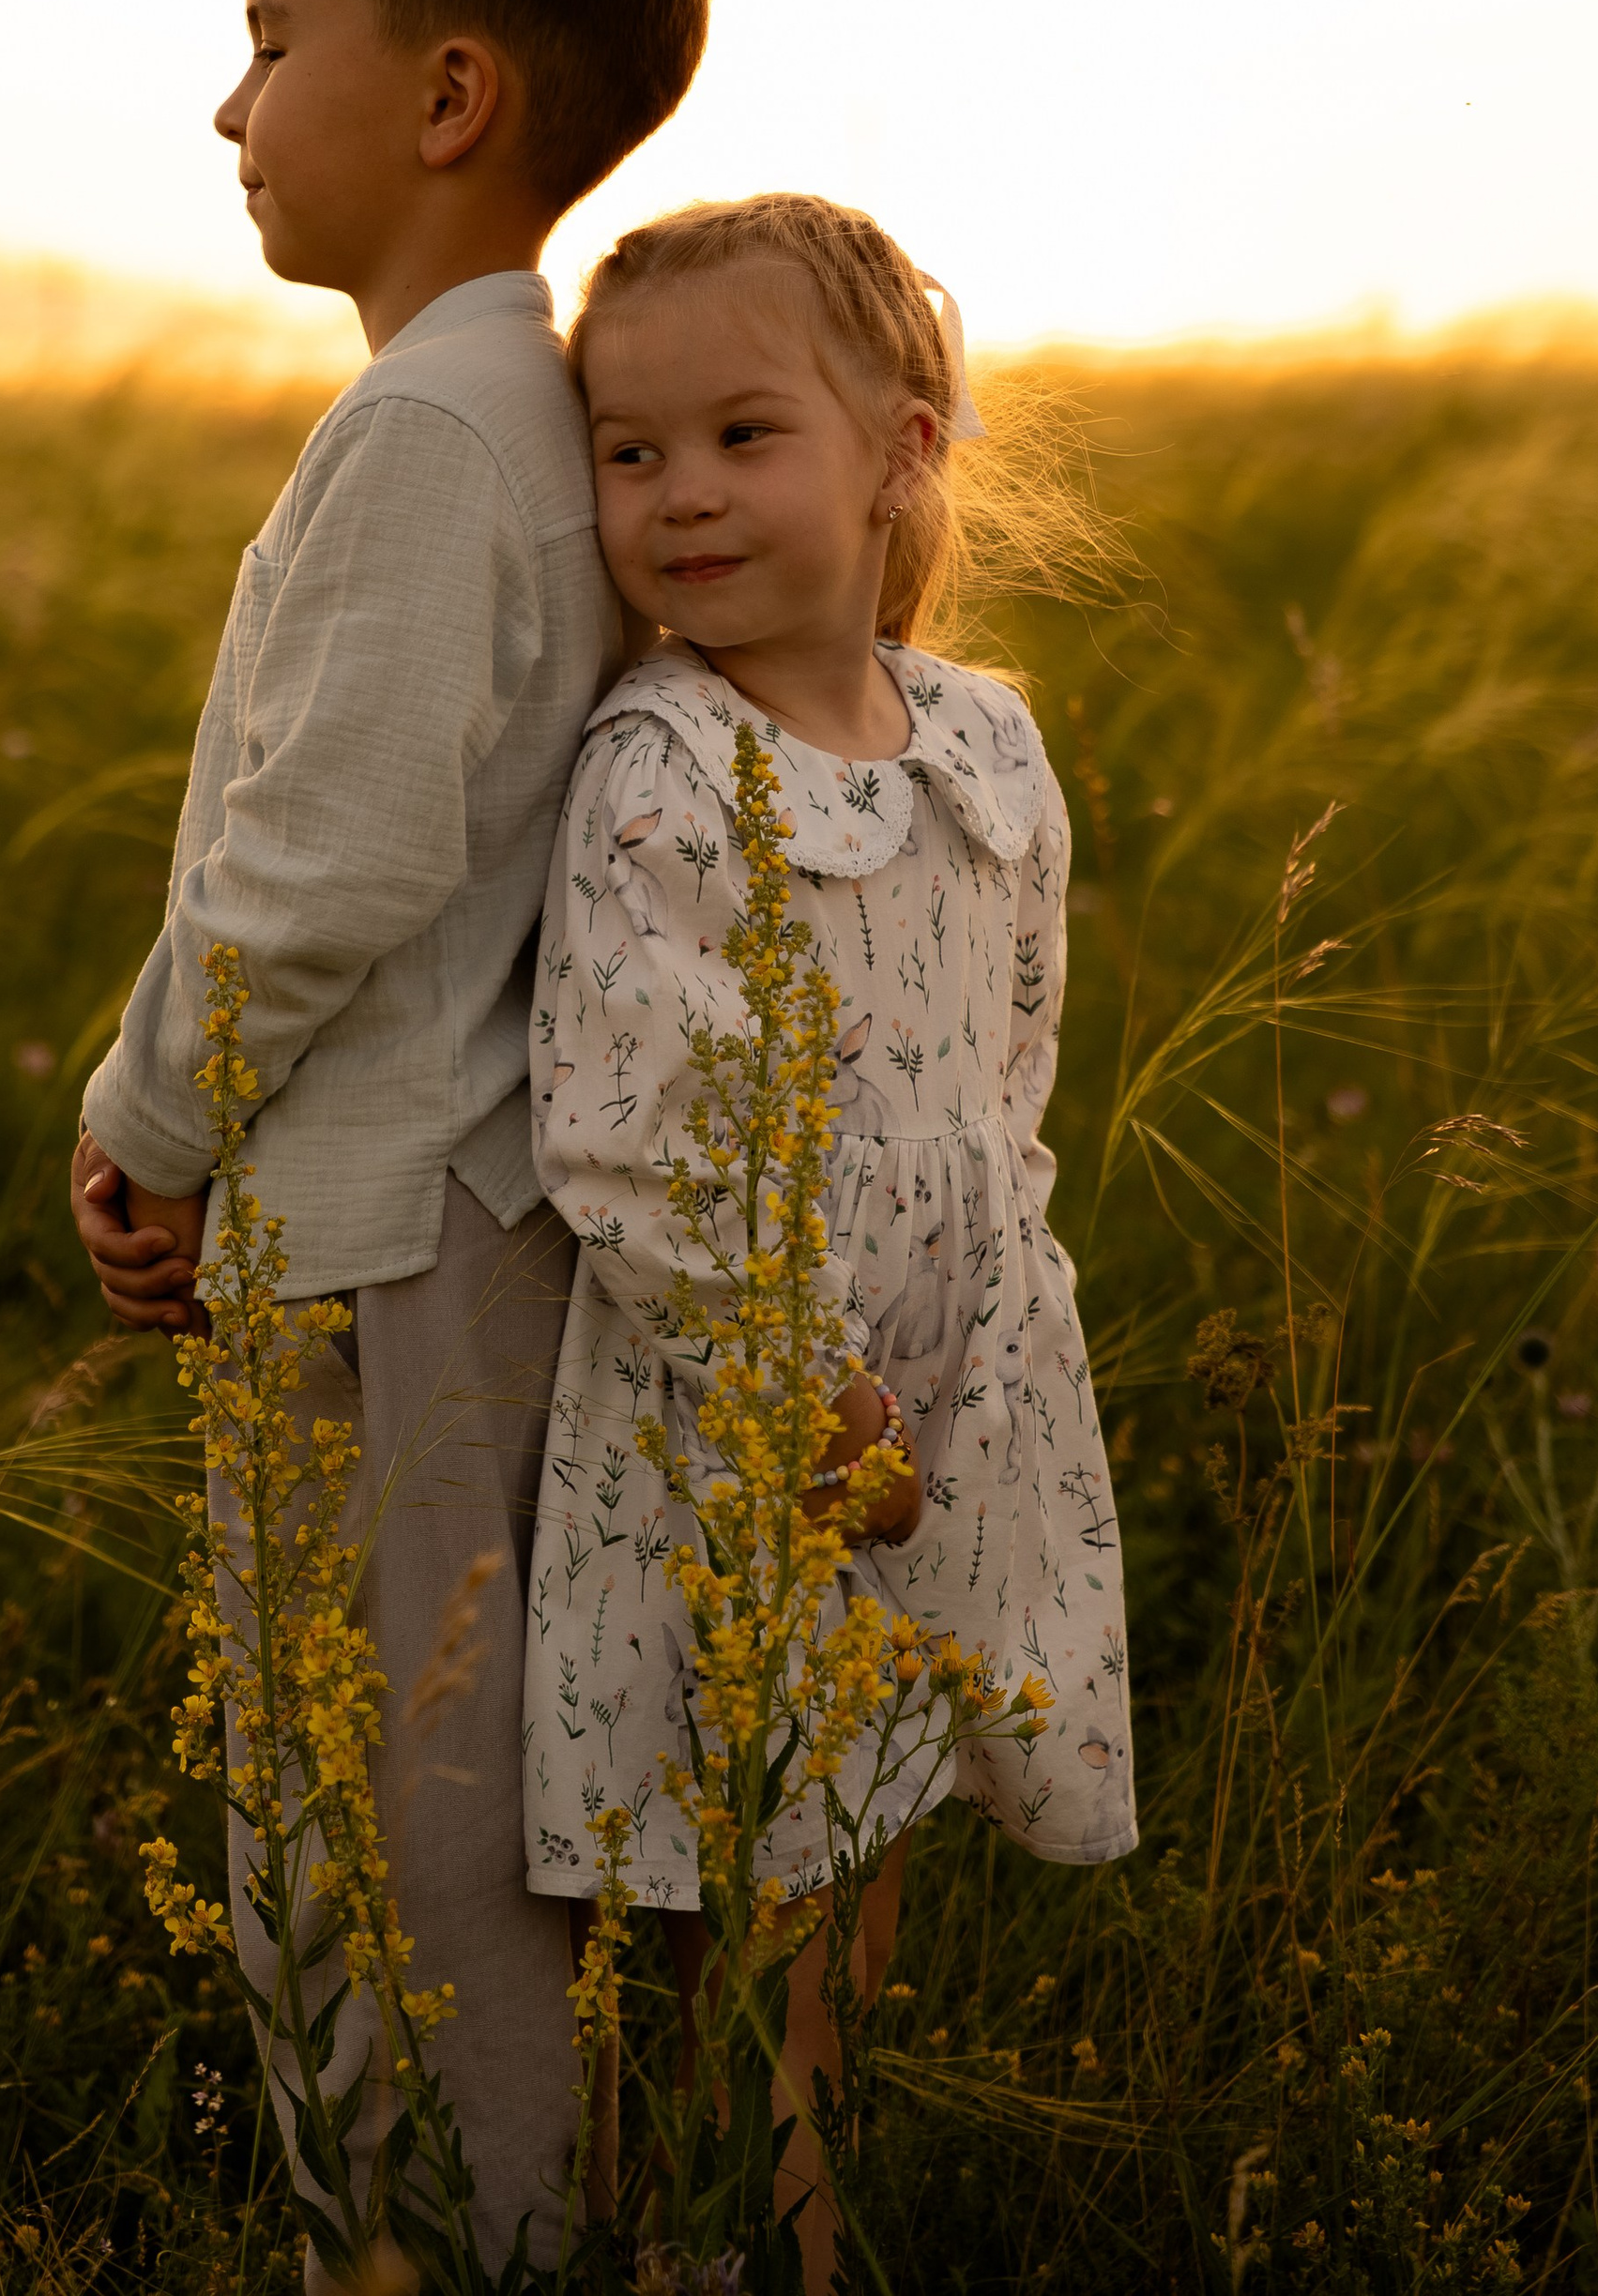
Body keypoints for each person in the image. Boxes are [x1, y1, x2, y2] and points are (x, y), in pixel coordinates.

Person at [68, 0, 711, 2281]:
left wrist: (142, 1124)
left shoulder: (440, 434)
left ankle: (452, 2245)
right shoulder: (471, 413)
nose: (229, 109)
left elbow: (312, 870)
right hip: (388, 1222)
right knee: (367, 1807)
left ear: (447, 96)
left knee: (402, 1842)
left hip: (397, 1247)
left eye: (265, 41)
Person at [522, 192, 1136, 2294]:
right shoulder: (658, 772)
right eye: (627, 450)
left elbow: (1007, 1070)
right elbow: (622, 1142)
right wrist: (804, 1388)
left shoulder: (981, 743)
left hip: (953, 1389)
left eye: (740, 436)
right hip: (756, 1423)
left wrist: (989, 1346)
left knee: (864, 1854)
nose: (679, 494)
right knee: (736, 1883)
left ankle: (793, 2202)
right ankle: (744, 2248)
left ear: (900, 444)